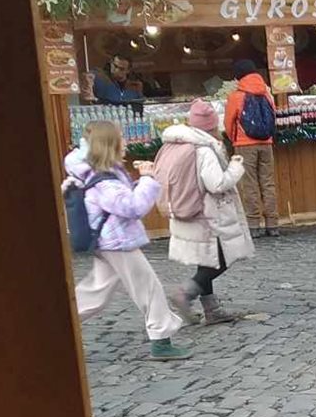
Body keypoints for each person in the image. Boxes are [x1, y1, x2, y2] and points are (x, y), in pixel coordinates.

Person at [64, 120, 188, 359]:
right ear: (110, 144)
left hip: (108, 242)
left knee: (95, 293)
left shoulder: (98, 173)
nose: (125, 143)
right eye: (121, 138)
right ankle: (161, 341)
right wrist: (148, 179)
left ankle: (52, 325)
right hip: (117, 242)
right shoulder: (105, 180)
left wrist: (140, 182)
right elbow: (132, 207)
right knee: (149, 289)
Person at [154, 98, 254, 326]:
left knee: (207, 259)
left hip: (186, 212)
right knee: (222, 259)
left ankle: (212, 309)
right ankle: (185, 293)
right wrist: (235, 167)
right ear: (211, 126)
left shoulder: (176, 144)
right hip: (208, 215)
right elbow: (216, 184)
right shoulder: (204, 150)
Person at [224, 60, 280, 236]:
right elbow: (273, 116)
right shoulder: (266, 93)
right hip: (266, 143)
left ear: (238, 76)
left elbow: (228, 123)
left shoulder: (236, 96)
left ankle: (253, 224)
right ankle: (273, 224)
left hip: (244, 144)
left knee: (249, 184)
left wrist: (234, 139)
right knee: (268, 183)